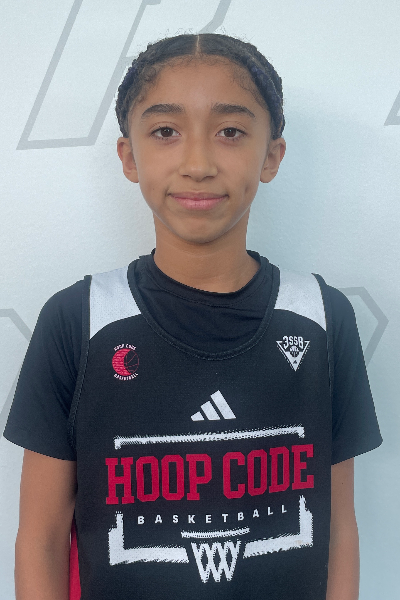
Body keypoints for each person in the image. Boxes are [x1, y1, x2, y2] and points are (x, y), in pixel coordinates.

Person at [4, 33, 382, 600]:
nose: (198, 164)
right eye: (165, 131)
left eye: (230, 131)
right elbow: (41, 537)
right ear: (129, 157)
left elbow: (338, 526)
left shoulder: (322, 317)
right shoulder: (77, 321)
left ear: (272, 155)